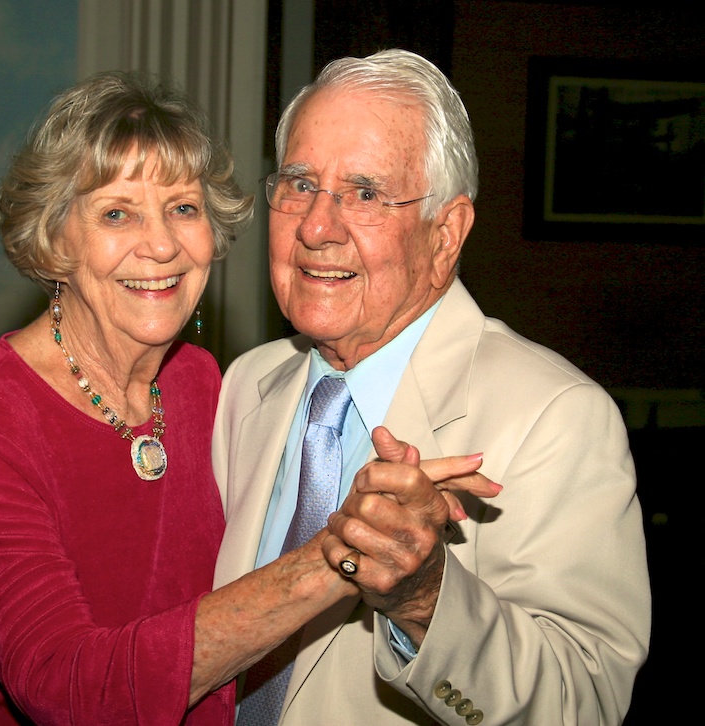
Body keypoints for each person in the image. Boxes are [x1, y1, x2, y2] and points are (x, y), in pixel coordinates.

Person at [0, 70, 499, 725]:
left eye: (183, 208)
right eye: (117, 212)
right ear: (53, 238)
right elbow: (64, 687)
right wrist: (345, 555)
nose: (161, 245)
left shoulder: (205, 384)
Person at [209, 49, 650, 724]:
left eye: (364, 194)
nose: (316, 227)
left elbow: (582, 704)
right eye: (299, 183)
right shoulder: (247, 386)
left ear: (446, 234)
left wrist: (426, 601)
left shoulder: (554, 417)